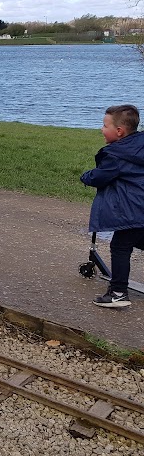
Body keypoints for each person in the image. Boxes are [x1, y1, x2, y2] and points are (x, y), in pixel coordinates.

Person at [81, 104, 144, 308]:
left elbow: (100, 177)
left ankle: (117, 293)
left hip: (133, 211)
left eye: (104, 125)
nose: (101, 129)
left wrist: (86, 176)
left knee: (120, 246)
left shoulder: (115, 155)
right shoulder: (140, 145)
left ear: (119, 131)